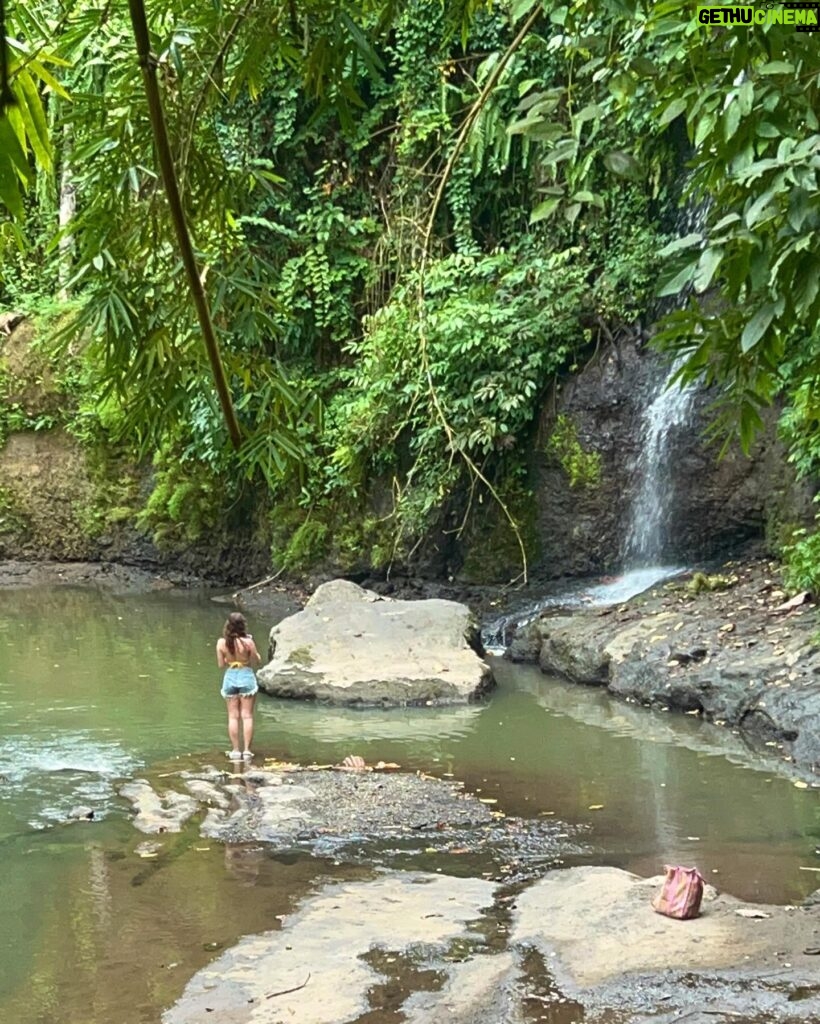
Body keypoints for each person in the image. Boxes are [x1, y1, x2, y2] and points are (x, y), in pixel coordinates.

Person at [216, 612, 262, 761]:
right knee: (247, 716)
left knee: (232, 717)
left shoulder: (221, 643)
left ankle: (235, 750)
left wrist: (229, 657)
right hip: (246, 676)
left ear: (227, 626)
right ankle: (247, 751)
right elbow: (257, 660)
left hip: (230, 677)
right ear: (243, 626)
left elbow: (221, 665)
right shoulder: (248, 642)